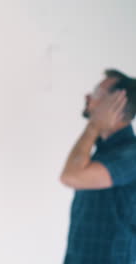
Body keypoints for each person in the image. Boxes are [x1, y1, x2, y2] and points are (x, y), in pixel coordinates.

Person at [60, 69, 136, 263]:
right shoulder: (102, 153)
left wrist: (94, 126)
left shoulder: (131, 155)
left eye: (96, 93)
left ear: (117, 105)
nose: (87, 96)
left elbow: (71, 176)